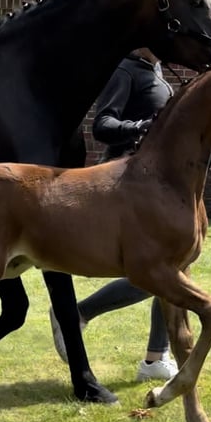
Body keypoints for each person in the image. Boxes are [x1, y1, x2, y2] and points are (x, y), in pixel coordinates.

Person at [49, 47, 178, 381]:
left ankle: (154, 359)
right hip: (123, 186)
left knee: (170, 269)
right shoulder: (126, 69)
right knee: (161, 271)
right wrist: (144, 126)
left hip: (152, 185)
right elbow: (103, 124)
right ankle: (76, 314)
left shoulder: (156, 71)